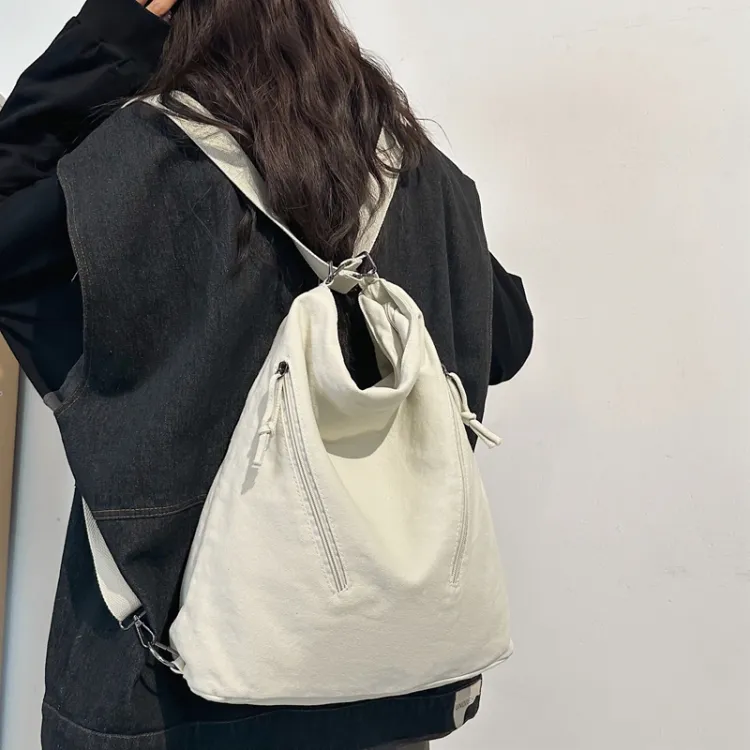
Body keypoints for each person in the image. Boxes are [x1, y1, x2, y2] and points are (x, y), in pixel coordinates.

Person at [0, 0, 534, 748]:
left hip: (161, 700)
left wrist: (111, 35)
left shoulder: (127, 176)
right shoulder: (422, 178)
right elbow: (506, 339)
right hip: (385, 690)